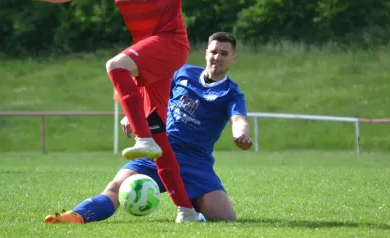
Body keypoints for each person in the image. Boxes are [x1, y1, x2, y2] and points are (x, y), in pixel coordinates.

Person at [22, 0, 285, 222]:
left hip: (170, 44)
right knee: (155, 138)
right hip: (149, 59)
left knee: (115, 65)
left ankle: (145, 141)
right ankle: (179, 211)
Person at [44, 32, 252, 224]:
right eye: (214, 52)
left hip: (195, 162)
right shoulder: (183, 73)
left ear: (233, 58)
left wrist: (240, 135)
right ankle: (76, 216)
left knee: (226, 219)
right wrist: (133, 115)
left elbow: (238, 119)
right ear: (206, 53)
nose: (217, 57)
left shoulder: (231, 93)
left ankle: (194, 204)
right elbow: (152, 94)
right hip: (159, 151)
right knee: (114, 189)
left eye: (224, 53)